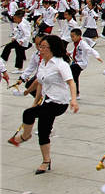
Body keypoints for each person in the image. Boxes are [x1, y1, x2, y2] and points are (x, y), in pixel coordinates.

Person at [7, 35, 79, 174]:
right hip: (47, 100)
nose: (40, 49)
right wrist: (33, 99)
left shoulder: (60, 64)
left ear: (52, 49)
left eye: (44, 47)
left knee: (28, 114)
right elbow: (39, 82)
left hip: (59, 102)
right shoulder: (43, 63)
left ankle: (24, 136)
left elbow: (71, 82)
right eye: (40, 46)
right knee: (43, 131)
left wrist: (74, 100)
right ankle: (46, 161)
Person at [69, 28, 102, 98]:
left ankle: (75, 94)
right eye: (71, 36)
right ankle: (76, 93)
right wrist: (70, 53)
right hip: (77, 62)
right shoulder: (77, 43)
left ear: (78, 36)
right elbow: (75, 49)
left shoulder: (83, 44)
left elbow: (90, 50)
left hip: (81, 63)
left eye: (73, 36)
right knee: (74, 77)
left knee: (73, 73)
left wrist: (97, 56)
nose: (72, 38)